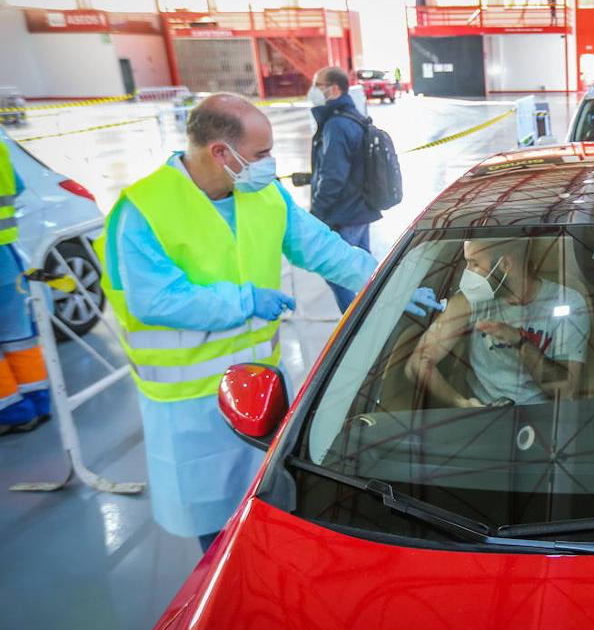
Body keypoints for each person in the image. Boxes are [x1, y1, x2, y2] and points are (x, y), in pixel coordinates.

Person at [95, 93, 378, 551]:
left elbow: (324, 249)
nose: (270, 164)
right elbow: (156, 300)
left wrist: (382, 280)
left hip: (260, 390)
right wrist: (244, 300)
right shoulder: (143, 210)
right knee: (216, 534)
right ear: (221, 153)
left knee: (265, 512)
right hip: (189, 403)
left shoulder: (263, 194)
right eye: (262, 154)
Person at [404, 237, 588, 407]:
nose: (466, 273)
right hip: (485, 417)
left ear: (505, 264)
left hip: (544, 419)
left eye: (474, 264)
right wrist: (461, 403)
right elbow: (417, 364)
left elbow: (563, 390)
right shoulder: (469, 302)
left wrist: (519, 342)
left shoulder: (566, 302)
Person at [308, 66, 382, 312]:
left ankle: (355, 325)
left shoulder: (337, 125)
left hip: (346, 212)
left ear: (334, 88)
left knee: (336, 271)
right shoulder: (353, 117)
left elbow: (332, 177)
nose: (314, 91)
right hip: (360, 208)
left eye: (318, 85)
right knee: (364, 269)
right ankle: (373, 314)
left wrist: (316, 213)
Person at [0, 141, 51, 435]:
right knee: (19, 336)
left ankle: (11, 410)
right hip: (7, 255)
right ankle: (38, 401)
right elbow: (17, 187)